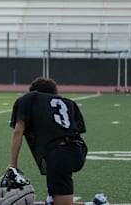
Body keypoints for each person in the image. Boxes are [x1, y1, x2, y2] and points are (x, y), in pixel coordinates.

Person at [8, 77, 90, 205]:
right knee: (57, 201)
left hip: (59, 153)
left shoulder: (30, 98)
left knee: (63, 204)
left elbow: (18, 131)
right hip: (78, 151)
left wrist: (12, 164)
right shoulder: (69, 102)